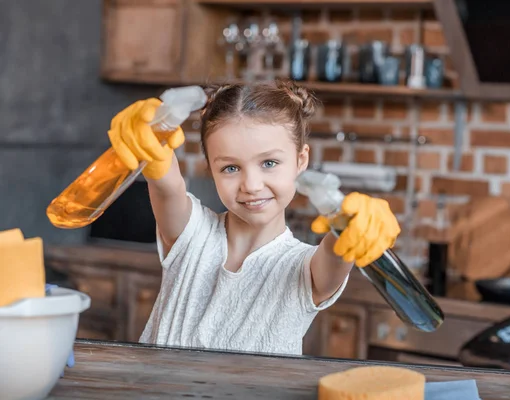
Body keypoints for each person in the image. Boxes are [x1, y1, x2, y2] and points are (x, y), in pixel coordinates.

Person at [108, 80, 400, 355]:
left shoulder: (305, 269)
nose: (251, 185)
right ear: (211, 168)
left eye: (269, 163)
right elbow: (168, 186)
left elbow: (337, 253)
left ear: (301, 160)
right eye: (231, 168)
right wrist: (151, 142)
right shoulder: (190, 234)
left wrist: (350, 227)